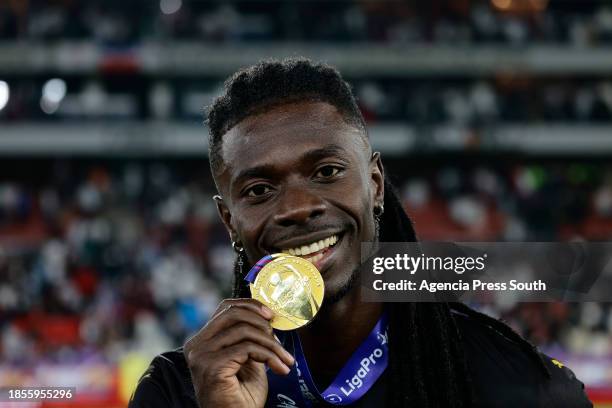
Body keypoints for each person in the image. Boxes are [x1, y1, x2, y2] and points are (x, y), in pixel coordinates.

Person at [129, 58, 592, 408]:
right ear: (229, 220)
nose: (297, 208)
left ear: (374, 184)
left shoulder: (519, 387)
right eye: (259, 189)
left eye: (327, 171)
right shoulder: (180, 391)